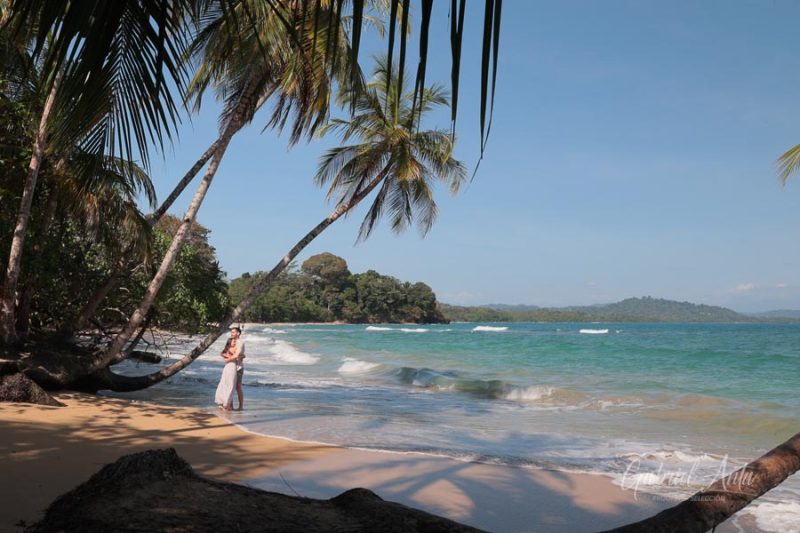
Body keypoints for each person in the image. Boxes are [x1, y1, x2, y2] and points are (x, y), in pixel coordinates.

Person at [225, 326, 246, 411]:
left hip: (238, 367)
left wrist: (228, 359)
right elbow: (224, 352)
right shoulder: (230, 341)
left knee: (238, 387)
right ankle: (231, 406)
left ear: (238, 333)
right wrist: (226, 357)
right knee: (230, 386)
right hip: (230, 366)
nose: (232, 333)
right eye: (231, 332)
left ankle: (240, 406)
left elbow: (237, 354)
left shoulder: (240, 342)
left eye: (233, 332)